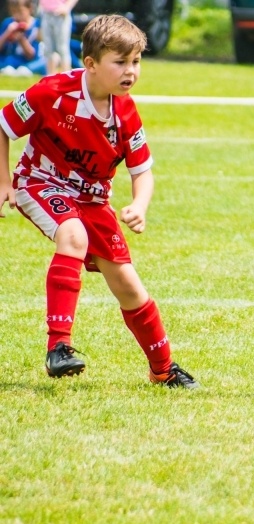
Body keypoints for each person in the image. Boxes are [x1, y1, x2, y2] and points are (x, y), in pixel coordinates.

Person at [0, 14, 199, 389]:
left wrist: (139, 205)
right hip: (40, 183)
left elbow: (142, 171)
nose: (131, 71)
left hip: (93, 200)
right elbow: (3, 125)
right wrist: (2, 183)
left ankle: (163, 369)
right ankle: (58, 347)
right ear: (89, 64)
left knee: (128, 285)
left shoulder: (126, 112)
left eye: (136, 61)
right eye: (120, 62)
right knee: (72, 236)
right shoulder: (52, 93)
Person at [0, 0, 45, 76]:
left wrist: (21, 39)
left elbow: (31, 55)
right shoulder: (8, 23)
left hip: (29, 62)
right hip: (9, 60)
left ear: (30, 9)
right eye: (13, 12)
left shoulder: (37, 26)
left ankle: (24, 71)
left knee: (44, 62)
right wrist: (7, 33)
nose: (16, 16)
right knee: (8, 63)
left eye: (20, 12)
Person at [38, 0, 77, 75]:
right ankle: (50, 75)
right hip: (46, 13)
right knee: (48, 48)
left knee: (62, 48)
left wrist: (67, 7)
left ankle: (66, 75)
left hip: (60, 15)